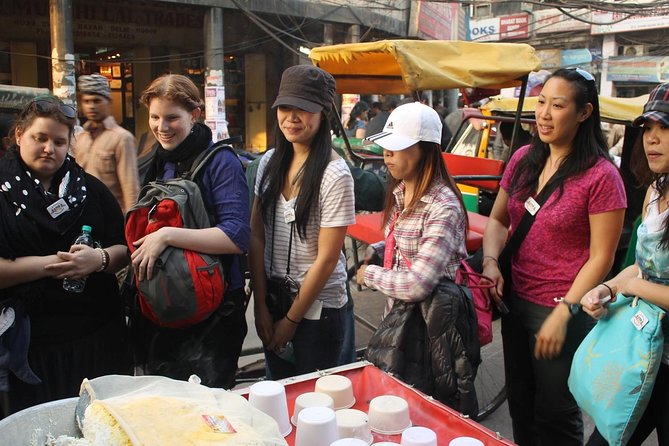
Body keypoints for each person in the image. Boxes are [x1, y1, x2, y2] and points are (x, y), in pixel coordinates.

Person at [481, 67, 627, 446]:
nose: (544, 114)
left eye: (557, 105)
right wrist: (492, 261)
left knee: (556, 413)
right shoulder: (524, 159)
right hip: (514, 301)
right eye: (541, 102)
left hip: (562, 307)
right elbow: (498, 220)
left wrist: (565, 313)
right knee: (521, 404)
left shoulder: (601, 176)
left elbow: (602, 257)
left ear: (583, 113)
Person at [0, 96, 131, 415]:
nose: (49, 148)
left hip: (97, 338)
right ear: (19, 135)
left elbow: (124, 248)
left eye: (59, 141)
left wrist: (98, 260)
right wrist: (56, 265)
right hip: (30, 346)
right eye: (39, 138)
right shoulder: (3, 193)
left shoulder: (91, 190)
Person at [129, 74, 249, 389]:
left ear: (194, 115)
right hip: (165, 303)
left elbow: (236, 236)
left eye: (172, 118)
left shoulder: (221, 162)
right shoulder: (155, 160)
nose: (161, 127)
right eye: (155, 117)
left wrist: (166, 236)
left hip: (215, 311)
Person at [355, 102, 475, 413]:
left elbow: (417, 284)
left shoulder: (443, 206)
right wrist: (379, 250)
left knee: (422, 410)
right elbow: (406, 242)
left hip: (431, 328)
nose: (387, 154)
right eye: (386, 147)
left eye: (397, 148)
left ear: (425, 149)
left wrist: (369, 275)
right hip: (401, 317)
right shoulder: (403, 191)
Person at [250, 65, 355, 379]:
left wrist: (291, 321)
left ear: (323, 113)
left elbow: (326, 259)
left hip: (318, 311)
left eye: (304, 109)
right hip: (274, 299)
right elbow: (256, 236)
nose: (292, 117)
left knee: (315, 407)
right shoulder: (268, 163)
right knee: (279, 400)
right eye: (285, 107)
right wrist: (260, 307)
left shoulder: (335, 174)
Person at [582, 82, 669, 446]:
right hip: (644, 353)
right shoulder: (655, 190)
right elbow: (642, 266)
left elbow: (641, 281)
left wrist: (630, 287)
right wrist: (608, 288)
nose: (652, 139)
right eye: (648, 129)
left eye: (665, 129)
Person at [72, 74, 139, 214]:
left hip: (112, 217)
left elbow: (130, 188)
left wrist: (131, 224)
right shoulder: (80, 138)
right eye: (87, 101)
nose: (91, 106)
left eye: (97, 101)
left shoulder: (122, 138)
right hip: (84, 216)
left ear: (108, 102)